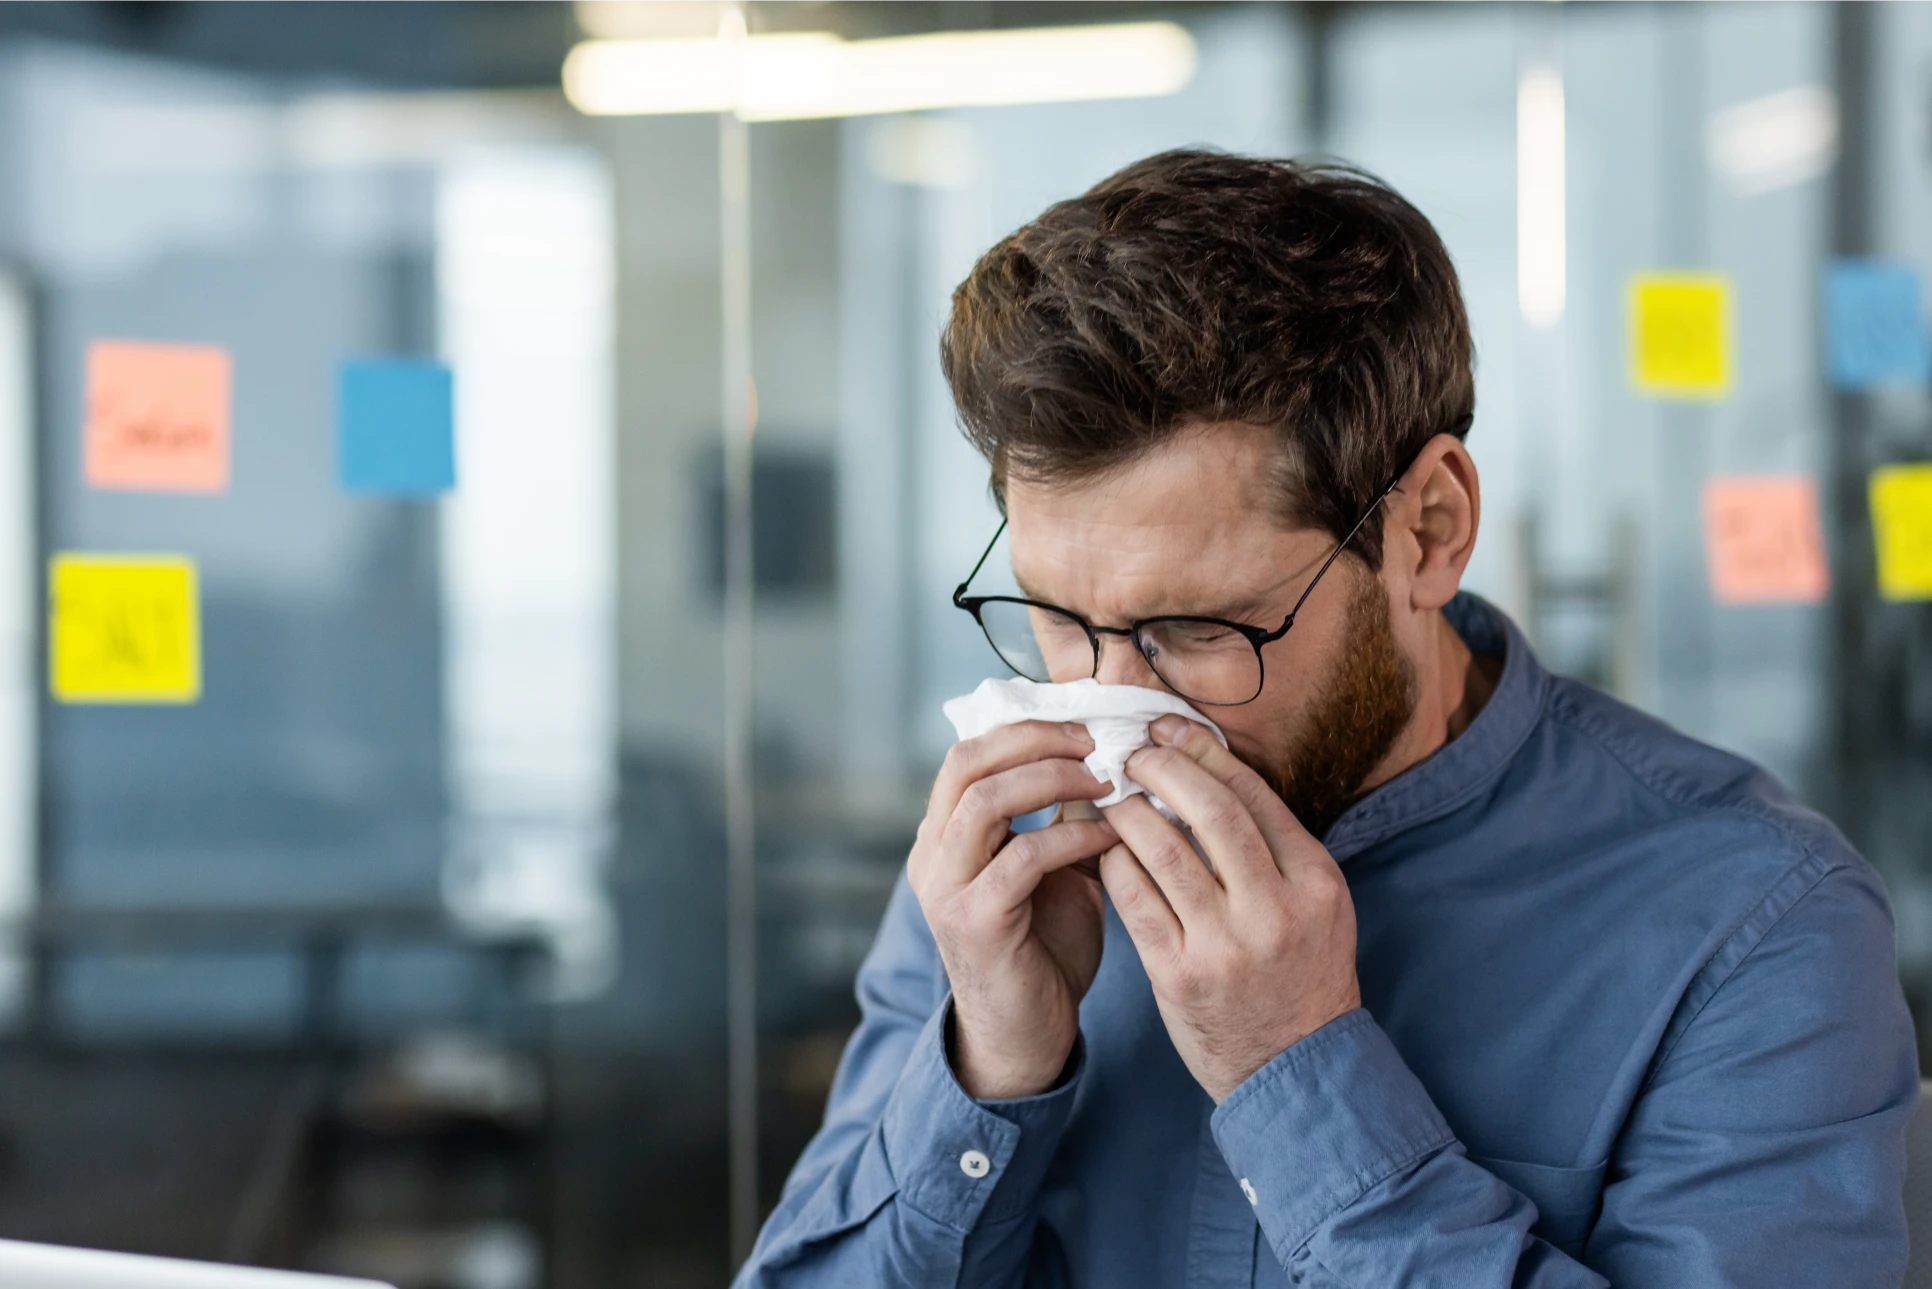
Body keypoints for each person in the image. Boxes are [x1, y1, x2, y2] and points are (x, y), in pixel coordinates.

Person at [734, 150, 1918, 1287]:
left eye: (1195, 626)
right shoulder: (1012, 852)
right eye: (1051, 616)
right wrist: (986, 1070)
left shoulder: (1755, 929)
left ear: (1430, 530)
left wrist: (1297, 1072)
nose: (1113, 708)